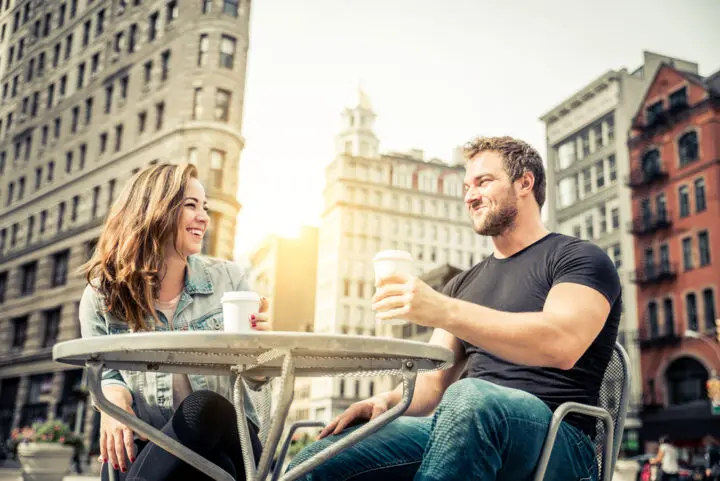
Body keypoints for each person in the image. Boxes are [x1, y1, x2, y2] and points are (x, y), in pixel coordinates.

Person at [288, 136, 622, 481]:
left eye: (483, 182)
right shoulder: (464, 285)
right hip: (458, 426)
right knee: (315, 460)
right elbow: (431, 388)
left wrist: (441, 309)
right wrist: (386, 401)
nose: (470, 195)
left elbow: (561, 343)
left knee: (470, 397)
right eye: (466, 187)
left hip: (559, 439)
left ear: (525, 182)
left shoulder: (579, 258)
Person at [79, 163, 271, 481]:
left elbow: (255, 380)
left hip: (232, 439)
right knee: (208, 468)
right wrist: (112, 409)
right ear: (155, 210)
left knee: (205, 407)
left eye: (205, 207)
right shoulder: (102, 294)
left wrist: (261, 351)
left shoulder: (228, 279)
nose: (204, 218)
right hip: (154, 445)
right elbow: (105, 373)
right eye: (191, 206)